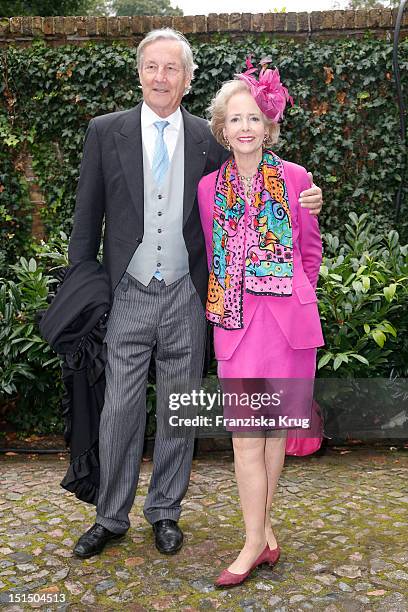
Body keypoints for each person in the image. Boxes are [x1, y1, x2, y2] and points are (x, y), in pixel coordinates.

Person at [68, 29, 324, 560]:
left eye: (172, 68)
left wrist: (309, 199)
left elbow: (253, 193)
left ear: (187, 79)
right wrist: (89, 292)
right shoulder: (104, 131)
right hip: (128, 291)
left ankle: (165, 510)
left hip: (188, 292)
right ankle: (111, 516)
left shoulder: (207, 140)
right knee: (119, 407)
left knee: (180, 409)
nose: (161, 77)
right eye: (152, 67)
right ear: (140, 72)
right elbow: (85, 219)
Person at [197, 59, 324, 586]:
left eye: (253, 118)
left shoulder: (298, 180)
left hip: (288, 330)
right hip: (236, 325)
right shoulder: (207, 190)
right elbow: (210, 252)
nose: (245, 127)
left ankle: (263, 533)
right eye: (234, 119)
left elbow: (310, 254)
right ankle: (255, 541)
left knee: (273, 437)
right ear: (222, 131)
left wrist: (296, 295)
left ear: (267, 126)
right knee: (247, 438)